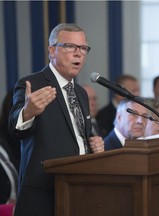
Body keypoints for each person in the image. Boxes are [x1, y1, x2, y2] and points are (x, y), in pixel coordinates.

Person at [9, 23, 104, 216]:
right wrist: (28, 112)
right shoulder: (32, 84)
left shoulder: (81, 92)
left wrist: (92, 147)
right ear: (52, 50)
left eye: (83, 48)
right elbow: (15, 128)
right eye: (70, 46)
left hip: (79, 189)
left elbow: (76, 136)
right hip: (44, 194)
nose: (79, 53)